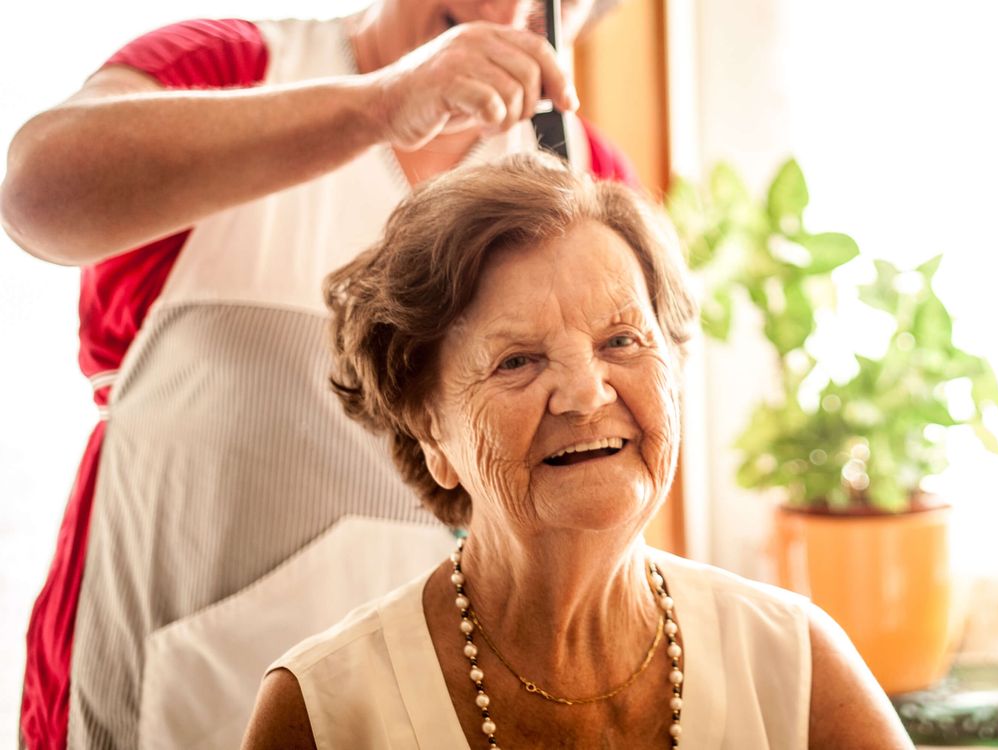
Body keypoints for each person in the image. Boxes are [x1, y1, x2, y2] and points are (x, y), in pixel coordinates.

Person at [0, 2, 636, 747]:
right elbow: (37, 192)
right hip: (170, 673)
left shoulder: (582, 178)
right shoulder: (232, 67)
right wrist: (383, 106)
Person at [238, 151, 911, 749]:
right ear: (429, 431)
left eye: (620, 341)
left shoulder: (796, 668)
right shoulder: (322, 715)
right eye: (518, 361)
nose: (586, 395)